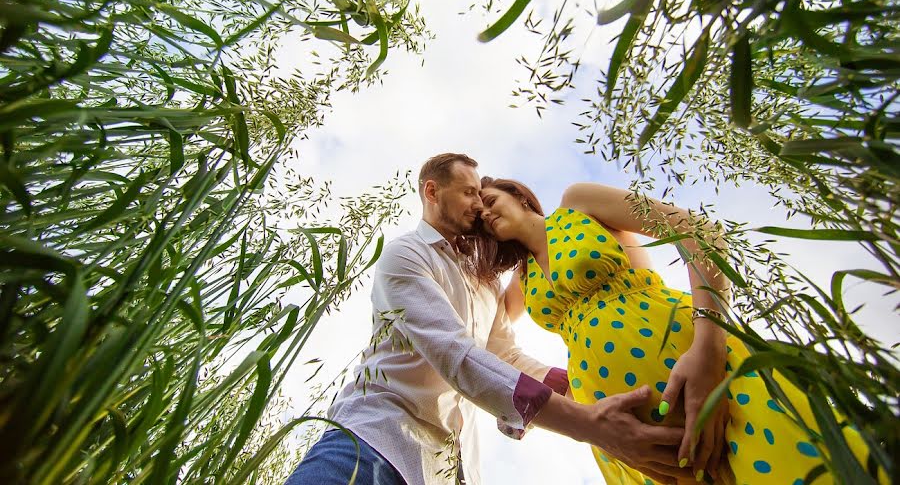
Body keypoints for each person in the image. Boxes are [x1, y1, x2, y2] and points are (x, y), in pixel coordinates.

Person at [286, 154, 692, 485]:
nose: (478, 205)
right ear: (431, 191)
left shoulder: (483, 287)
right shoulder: (407, 256)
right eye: (468, 193)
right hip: (376, 439)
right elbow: (453, 352)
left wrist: (585, 385)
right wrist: (588, 423)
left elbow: (505, 355)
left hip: (449, 469)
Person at [474, 177, 882, 485]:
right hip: (629, 433)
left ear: (520, 195)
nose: (487, 214)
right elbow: (477, 327)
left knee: (802, 463)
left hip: (702, 364)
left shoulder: (576, 204)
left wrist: (709, 348)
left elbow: (699, 234)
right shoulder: (522, 281)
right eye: (482, 219)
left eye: (490, 200)